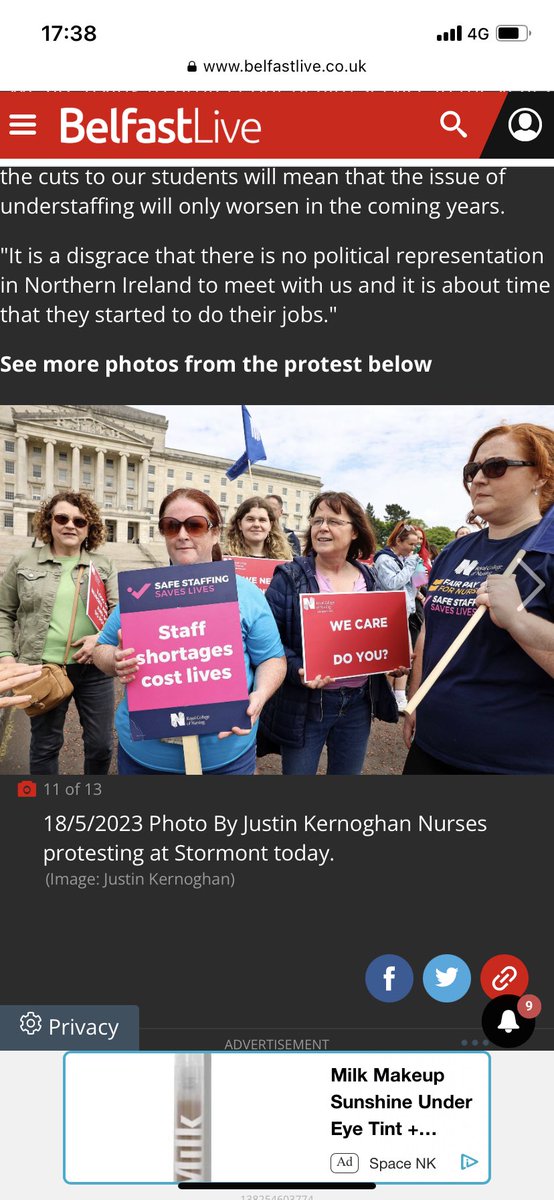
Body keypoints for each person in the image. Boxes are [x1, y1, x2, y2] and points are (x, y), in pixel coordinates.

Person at [93, 489, 286, 775]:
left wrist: (259, 695)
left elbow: (273, 658)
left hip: (226, 756)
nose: (182, 535)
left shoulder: (246, 593)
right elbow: (101, 649)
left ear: (215, 532)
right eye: (172, 526)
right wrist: (115, 659)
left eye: (194, 525)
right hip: (145, 757)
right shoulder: (141, 593)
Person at [403, 422, 554, 774]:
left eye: (496, 467)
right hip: (432, 747)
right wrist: (415, 700)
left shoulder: (547, 552)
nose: (479, 479)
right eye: (473, 470)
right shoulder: (455, 550)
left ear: (541, 477)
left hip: (514, 763)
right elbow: (431, 631)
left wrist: (519, 620)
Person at [259, 491, 405, 775]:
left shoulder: (369, 578)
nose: (322, 527)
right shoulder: (289, 577)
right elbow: (268, 642)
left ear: (354, 532)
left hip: (358, 704)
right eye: (317, 520)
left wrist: (392, 659)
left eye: (334, 521)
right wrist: (298, 669)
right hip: (306, 705)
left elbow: (375, 636)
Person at [0, 491, 118, 774]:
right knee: (45, 744)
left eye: (80, 521)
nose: (70, 525)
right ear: (49, 522)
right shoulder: (24, 561)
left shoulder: (102, 565)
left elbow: (118, 611)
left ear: (89, 528)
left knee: (101, 745)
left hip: (94, 667)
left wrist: (100, 638)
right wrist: (5, 655)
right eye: (62, 518)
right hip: (41, 667)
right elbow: (3, 611)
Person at [372, 522, 423, 713]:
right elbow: (392, 584)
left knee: (404, 657)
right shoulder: (384, 559)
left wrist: (417, 571)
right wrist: (410, 565)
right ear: (398, 541)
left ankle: (399, 697)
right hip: (387, 614)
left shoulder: (405, 559)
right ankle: (382, 699)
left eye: (416, 545)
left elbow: (416, 586)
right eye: (410, 544)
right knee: (388, 659)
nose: (414, 548)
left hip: (403, 612)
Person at [225, 496, 293, 560]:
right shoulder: (224, 559)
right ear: (240, 524)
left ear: (270, 525)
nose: (256, 525)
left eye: (262, 520)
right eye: (250, 519)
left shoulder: (284, 560)